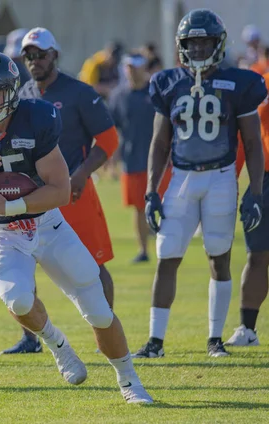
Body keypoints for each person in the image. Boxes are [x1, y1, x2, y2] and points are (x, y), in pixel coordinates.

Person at [0, 51, 153, 403]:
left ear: (12, 92)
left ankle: (129, 380)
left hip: (47, 224)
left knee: (98, 310)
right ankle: (55, 342)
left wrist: (12, 204)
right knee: (16, 298)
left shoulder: (38, 117)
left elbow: (60, 191)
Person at [133, 9, 266, 359]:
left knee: (219, 259)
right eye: (192, 42)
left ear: (218, 43)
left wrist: (255, 192)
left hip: (221, 178)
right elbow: (159, 143)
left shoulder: (240, 81)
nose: (198, 48)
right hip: (181, 178)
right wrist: (150, 191)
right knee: (166, 256)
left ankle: (214, 338)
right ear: (181, 45)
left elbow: (252, 143)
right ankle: (155, 341)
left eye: (205, 41)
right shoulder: (168, 82)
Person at [2, 27, 119, 354]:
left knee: (94, 266)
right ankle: (31, 338)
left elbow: (108, 140)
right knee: (22, 267)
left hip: (75, 193)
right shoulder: (20, 95)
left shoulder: (79, 92)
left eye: (41, 54)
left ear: (55, 54)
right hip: (33, 195)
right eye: (28, 55)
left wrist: (80, 175)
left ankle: (105, 335)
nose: (34, 61)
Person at [108, 52, 172, 263]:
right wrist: (112, 161)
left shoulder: (157, 91)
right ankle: (143, 250)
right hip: (132, 161)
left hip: (161, 162)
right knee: (138, 208)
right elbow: (114, 131)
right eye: (128, 67)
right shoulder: (118, 96)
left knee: (166, 205)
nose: (132, 71)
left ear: (144, 68)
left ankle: (168, 248)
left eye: (135, 67)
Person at [225, 71, 269, 347]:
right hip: (264, 178)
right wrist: (233, 180)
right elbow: (247, 136)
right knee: (257, 255)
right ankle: (248, 329)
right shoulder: (262, 82)